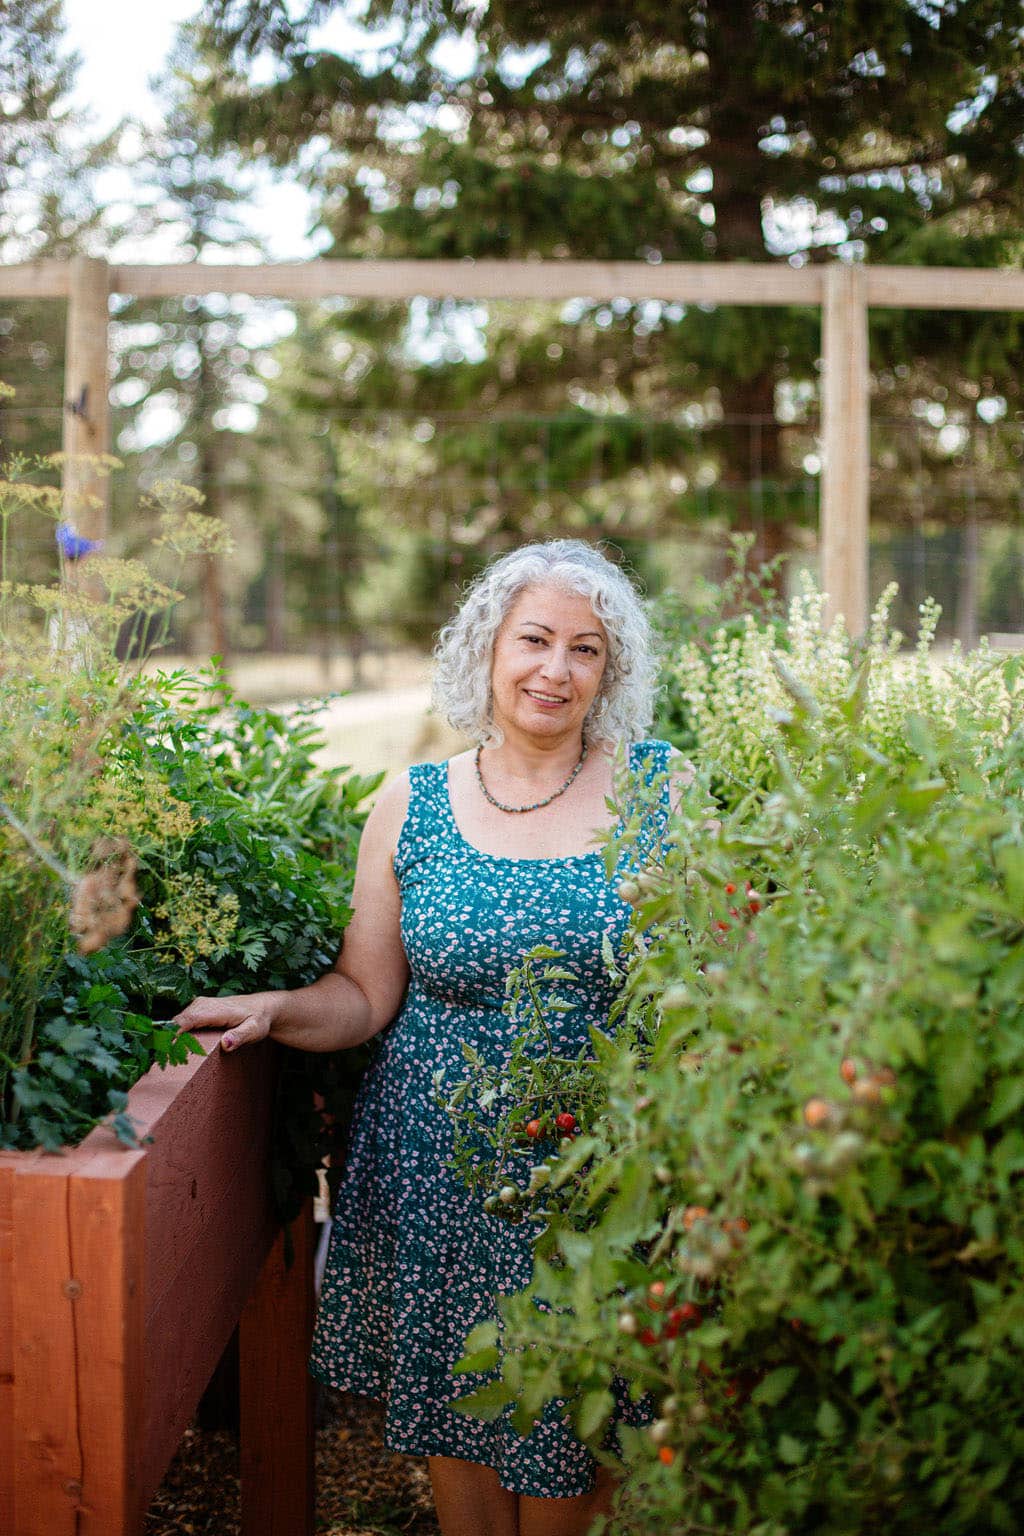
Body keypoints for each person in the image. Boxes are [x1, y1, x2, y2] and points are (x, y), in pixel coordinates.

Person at [173, 539, 681, 1536]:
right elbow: (364, 996)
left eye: (586, 649)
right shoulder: (414, 801)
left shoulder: (659, 793)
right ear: (487, 650)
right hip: (438, 1165)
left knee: (577, 1440)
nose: (555, 669)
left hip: (597, 1163)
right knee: (461, 1431)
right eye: (533, 639)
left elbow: (702, 982)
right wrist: (277, 1008)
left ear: (608, 671)